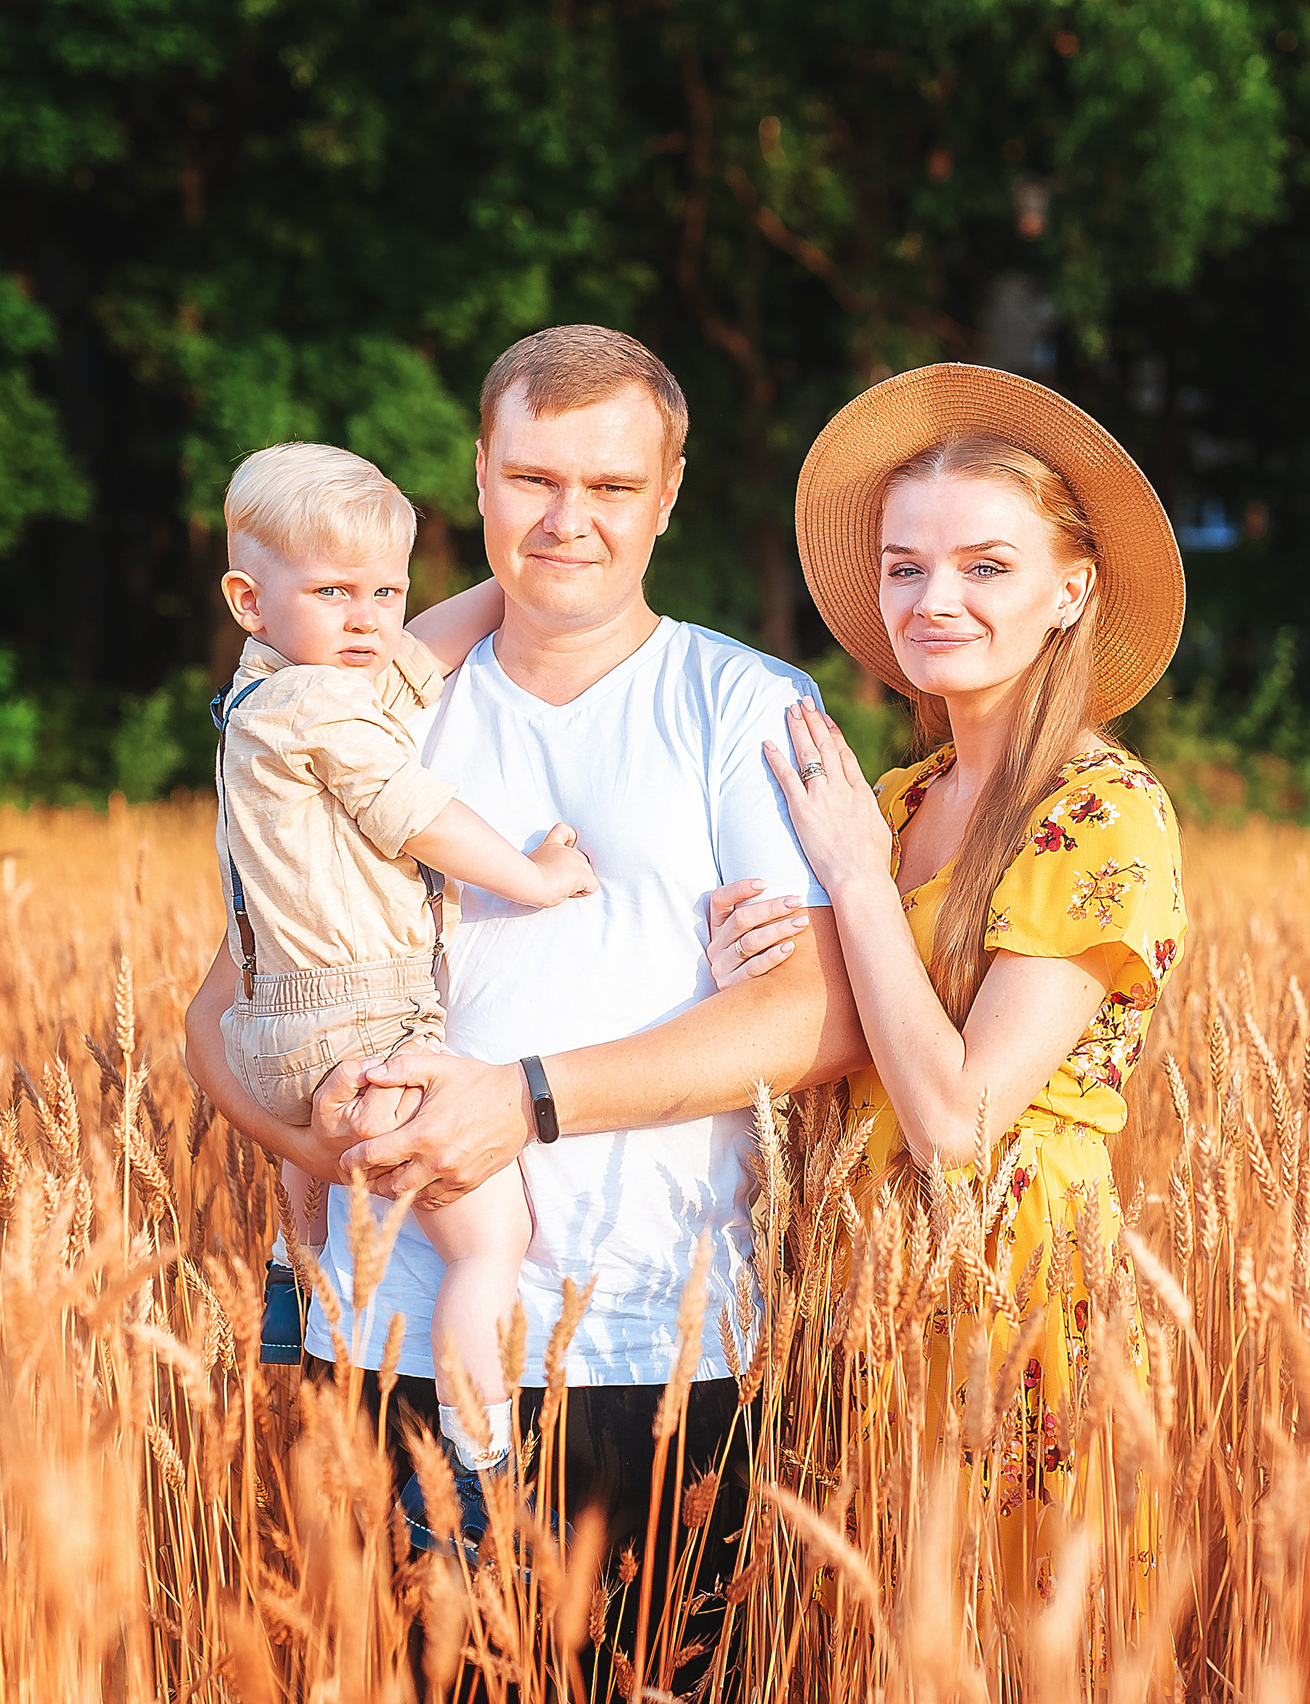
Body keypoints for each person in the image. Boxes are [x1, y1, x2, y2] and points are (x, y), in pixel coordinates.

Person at [183, 327, 865, 1615]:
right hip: (385, 1345)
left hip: (655, 1345)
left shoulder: (746, 706)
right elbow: (223, 1011)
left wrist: (524, 1098)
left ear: (667, 498)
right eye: (535, 479)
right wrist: (335, 1156)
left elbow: (819, 1014)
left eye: (611, 487)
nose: (570, 519)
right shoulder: (364, 699)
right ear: (480, 479)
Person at [705, 363, 1188, 1609]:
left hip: (1013, 1297)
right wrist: (752, 980)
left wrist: (857, 888)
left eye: (986, 567)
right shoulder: (901, 799)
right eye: (906, 566)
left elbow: (959, 1124)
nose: (936, 600)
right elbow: (847, 1040)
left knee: (1003, 1639)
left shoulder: (1102, 814)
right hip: (858, 1277)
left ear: (1070, 589)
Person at [204, 442, 597, 1486]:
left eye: (385, 589)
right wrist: (531, 877)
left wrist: (508, 578)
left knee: (317, 1132)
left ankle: (297, 1282)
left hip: (278, 1026)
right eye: (335, 592)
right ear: (249, 599)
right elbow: (414, 811)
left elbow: (415, 653)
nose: (369, 618)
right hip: (361, 1023)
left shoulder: (269, 693)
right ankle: (482, 1470)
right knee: (490, 1240)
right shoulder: (321, 709)